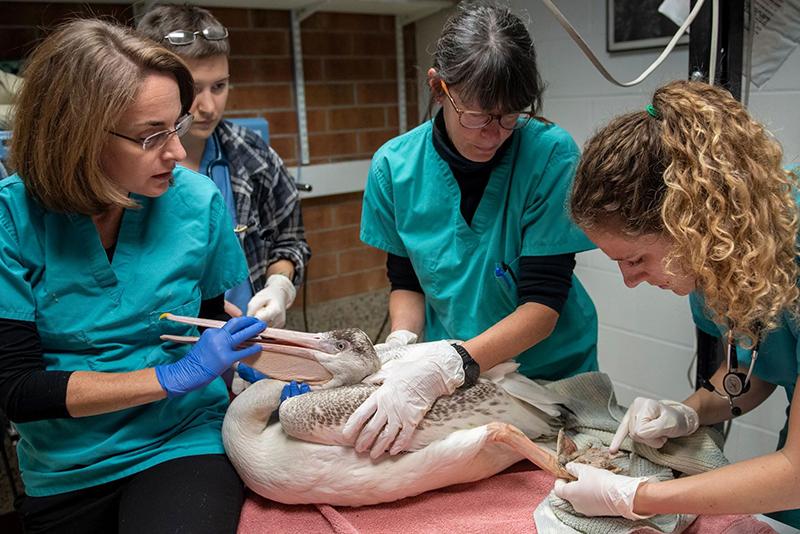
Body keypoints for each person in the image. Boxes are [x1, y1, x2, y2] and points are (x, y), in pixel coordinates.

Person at [0, 19, 269, 533]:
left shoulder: (196, 203)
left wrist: (250, 367)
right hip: (66, 466)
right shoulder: (11, 221)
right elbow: (17, 389)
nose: (174, 152)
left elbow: (211, 326)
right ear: (74, 137)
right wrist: (168, 377)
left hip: (181, 439)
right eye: (150, 137)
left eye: (176, 127)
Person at [343, 3, 598, 459]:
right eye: (478, 115)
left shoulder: (550, 155)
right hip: (460, 370)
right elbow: (407, 283)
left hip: (552, 376)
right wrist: (402, 344)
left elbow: (542, 306)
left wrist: (451, 364)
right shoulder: (395, 168)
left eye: (510, 116)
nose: (493, 134)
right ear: (438, 87)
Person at [556, 79, 800, 528]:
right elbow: (762, 365)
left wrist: (638, 495)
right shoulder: (720, 260)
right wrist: (689, 411)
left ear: (689, 222)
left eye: (636, 259)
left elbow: (795, 472)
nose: (630, 281)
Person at [137, 4, 310, 328]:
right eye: (192, 89)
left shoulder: (251, 155)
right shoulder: (129, 165)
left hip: (245, 345)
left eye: (219, 86)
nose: (208, 107)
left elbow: (290, 241)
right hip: (163, 354)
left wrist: (279, 287)